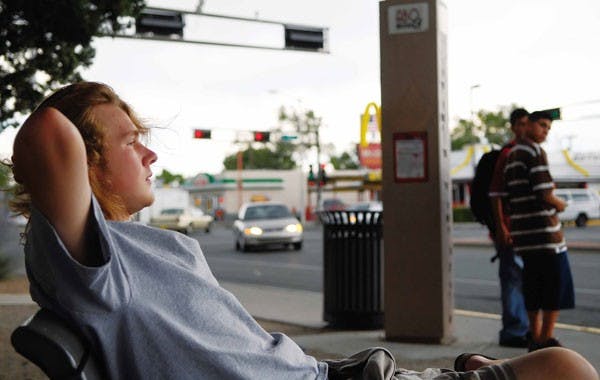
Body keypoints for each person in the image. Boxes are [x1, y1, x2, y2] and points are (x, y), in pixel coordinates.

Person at [7, 82, 598, 380]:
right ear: (84, 164)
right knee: (563, 369)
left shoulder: (130, 249)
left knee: (558, 366)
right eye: (132, 141)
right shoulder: (93, 263)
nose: (153, 155)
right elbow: (44, 134)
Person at [503, 110, 575, 352]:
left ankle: (534, 336)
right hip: (545, 236)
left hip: (525, 237)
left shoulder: (513, 153)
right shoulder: (534, 151)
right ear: (529, 125)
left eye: (548, 128)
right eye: (542, 125)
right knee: (555, 287)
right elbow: (545, 194)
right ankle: (546, 338)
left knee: (533, 287)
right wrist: (561, 204)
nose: (545, 131)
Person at [488, 108, 530, 348]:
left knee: (522, 280)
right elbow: (495, 193)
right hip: (510, 230)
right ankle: (514, 330)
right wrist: (502, 227)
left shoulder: (526, 151)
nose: (526, 128)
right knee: (513, 279)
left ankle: (522, 328)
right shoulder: (508, 153)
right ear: (514, 126)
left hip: (523, 230)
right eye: (521, 124)